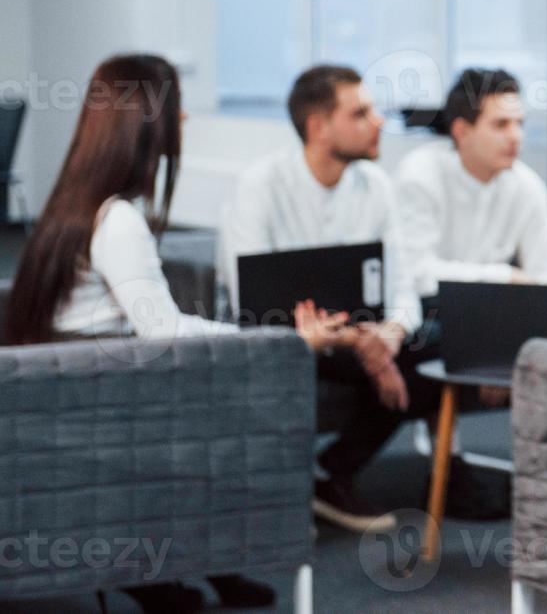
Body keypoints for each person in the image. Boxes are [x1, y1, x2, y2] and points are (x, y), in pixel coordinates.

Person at [1, 54, 350, 614]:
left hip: (77, 393)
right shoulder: (117, 220)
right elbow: (160, 328)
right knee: (240, 404)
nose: (184, 120)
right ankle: (201, 562)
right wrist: (276, 342)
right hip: (106, 400)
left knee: (214, 394)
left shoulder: (73, 203)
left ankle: (190, 568)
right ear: (147, 121)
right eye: (177, 108)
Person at [221, 65, 458, 532]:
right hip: (287, 339)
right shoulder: (259, 187)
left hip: (360, 338)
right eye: (361, 113)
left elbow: (403, 288)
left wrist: (388, 335)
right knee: (372, 355)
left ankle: (331, 473)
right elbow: (252, 300)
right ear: (318, 126)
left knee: (440, 346)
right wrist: (363, 346)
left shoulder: (377, 186)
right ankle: (290, 486)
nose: (378, 123)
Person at [395, 68, 547, 295]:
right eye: (501, 125)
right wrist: (504, 277)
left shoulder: (528, 187)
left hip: (497, 315)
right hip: (430, 315)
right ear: (462, 131)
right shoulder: (420, 176)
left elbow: (546, 279)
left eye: (519, 124)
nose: (516, 137)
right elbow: (414, 274)